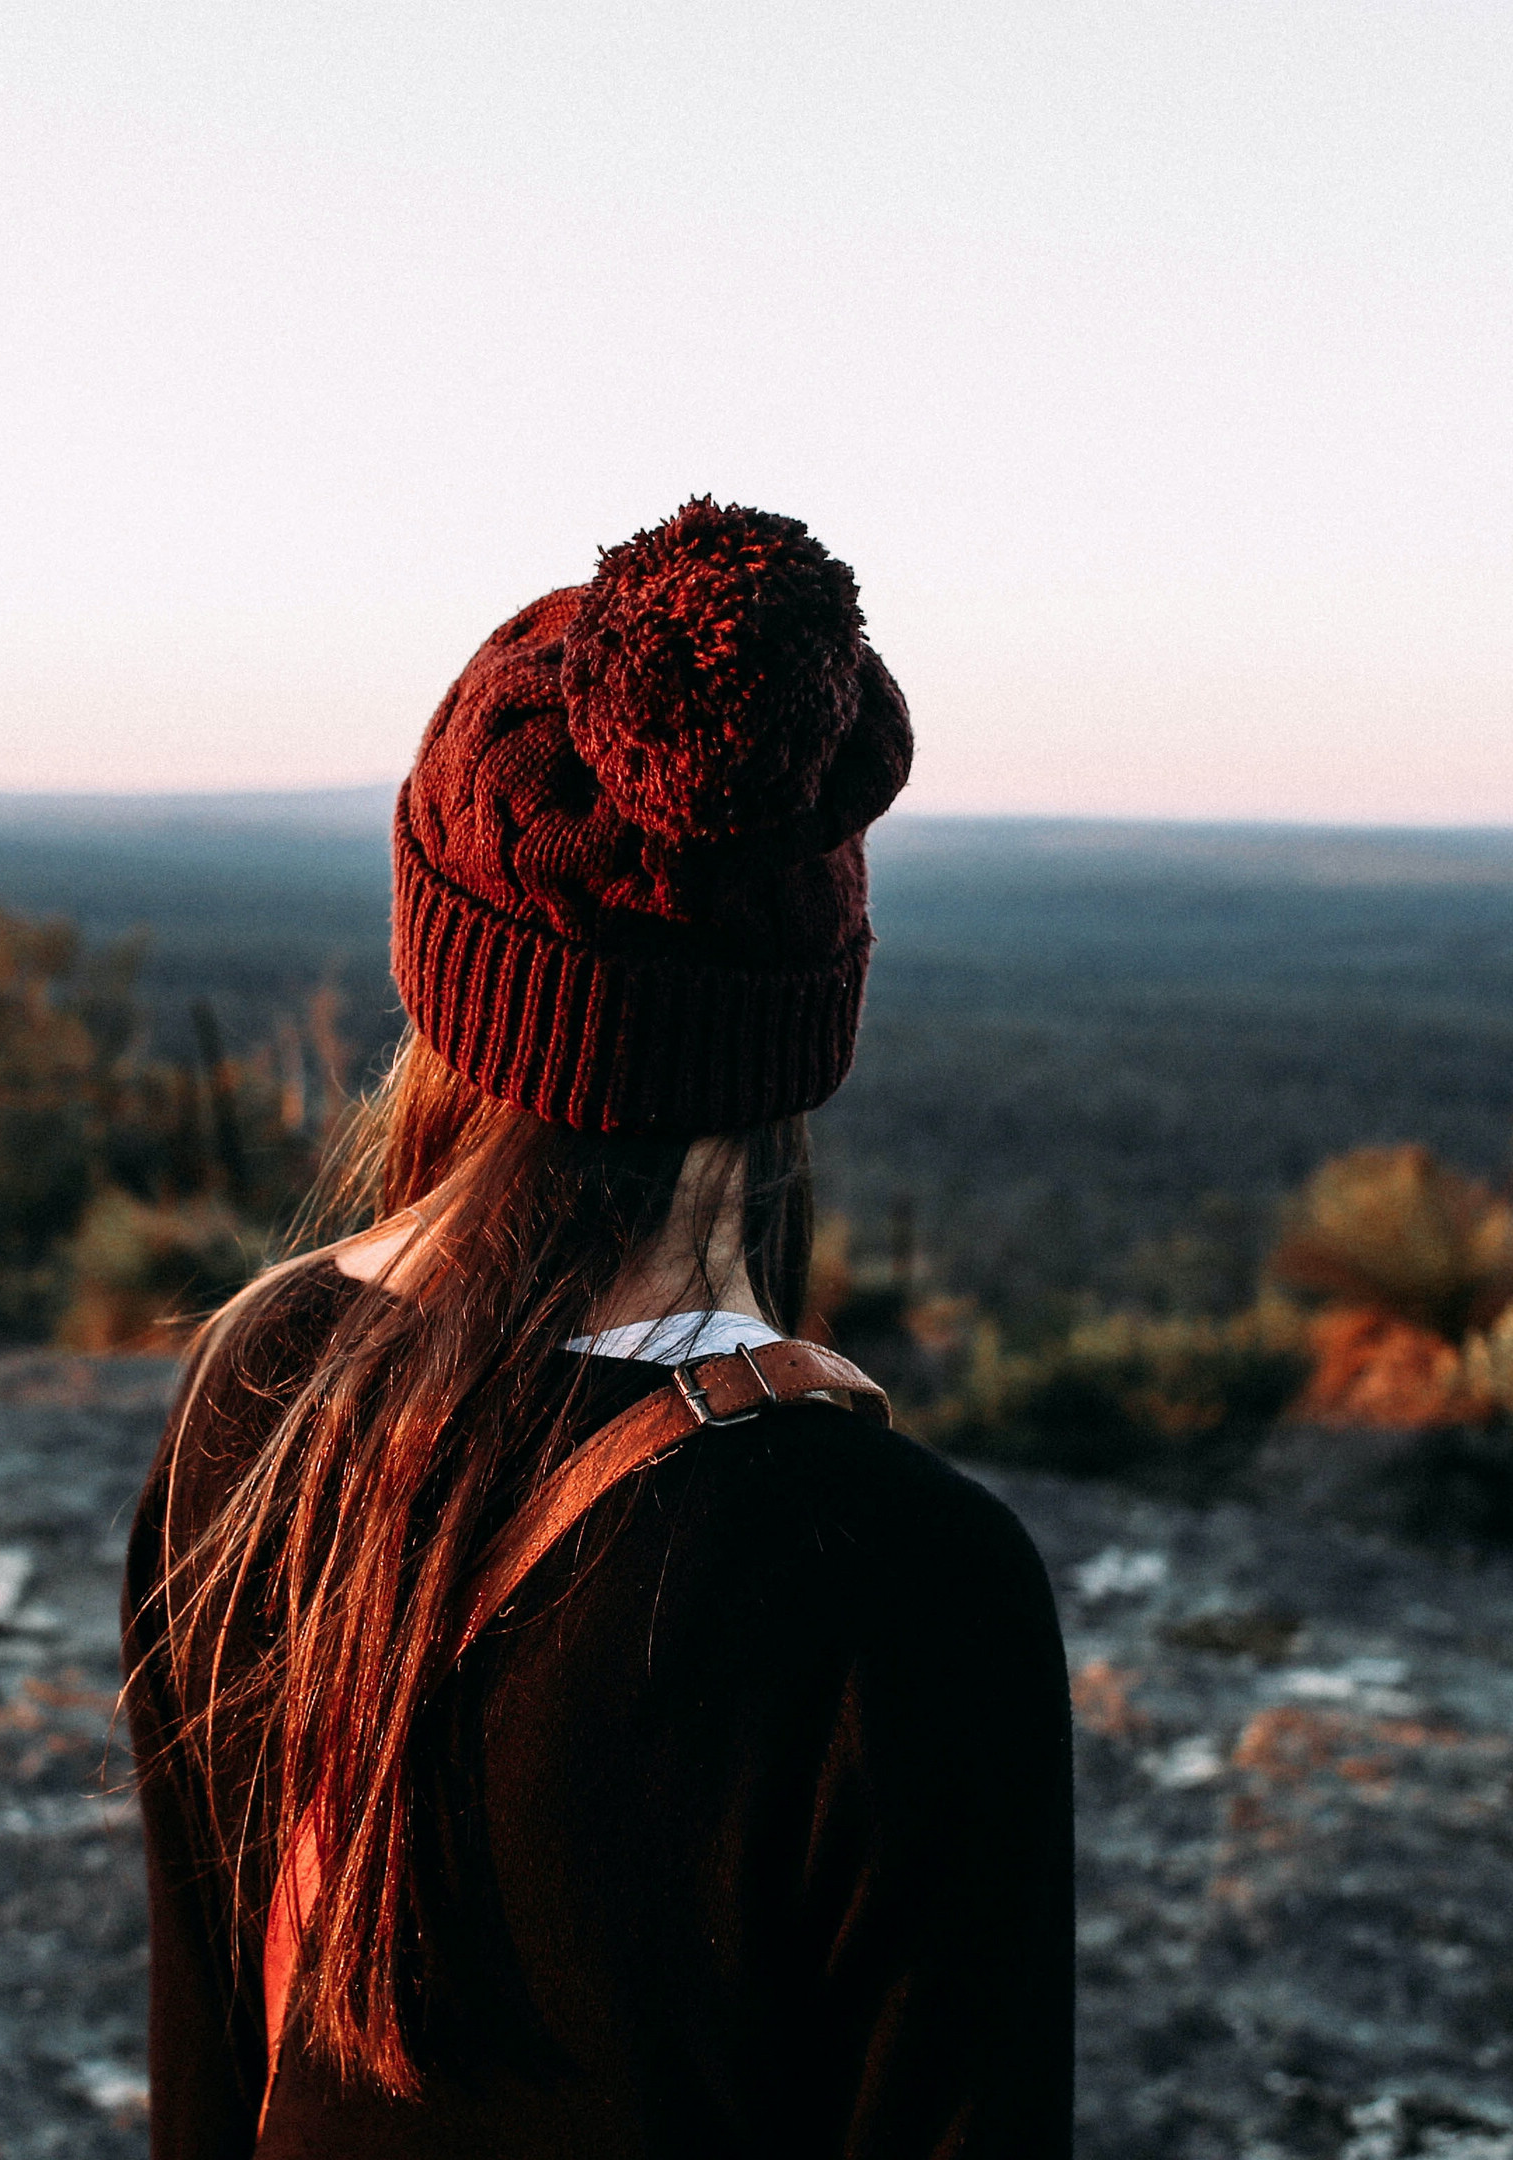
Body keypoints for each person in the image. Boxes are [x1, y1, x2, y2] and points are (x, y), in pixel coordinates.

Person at [119, 500, 1074, 2156]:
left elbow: (210, 2076)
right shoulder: (905, 1588)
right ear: (801, 1031)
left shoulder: (248, 1389)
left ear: (444, 971)